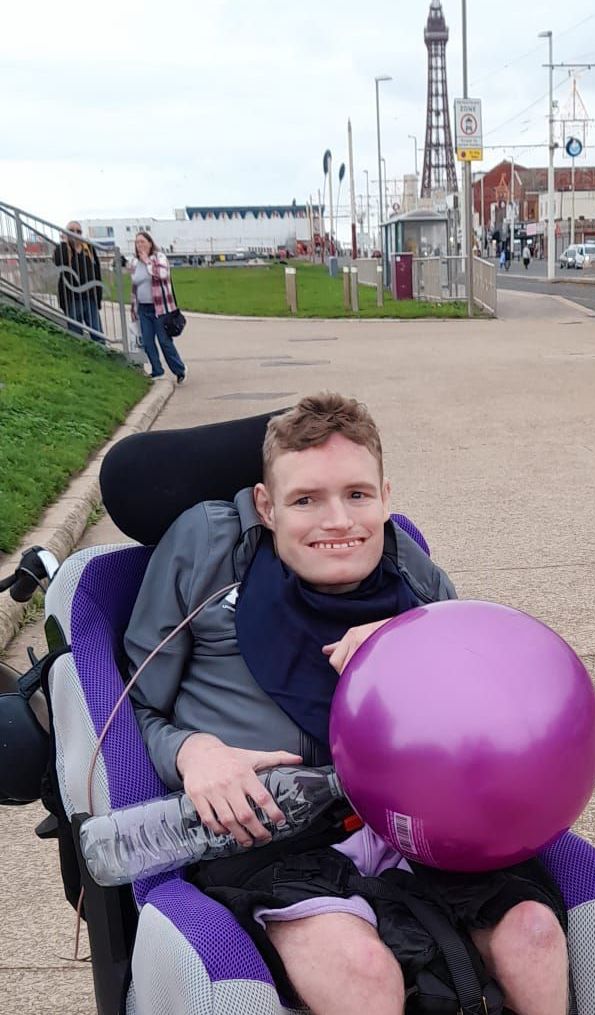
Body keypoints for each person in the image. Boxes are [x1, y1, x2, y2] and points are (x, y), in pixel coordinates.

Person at [124, 393, 569, 1015]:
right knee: (360, 971)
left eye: (357, 495)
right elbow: (131, 710)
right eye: (305, 500)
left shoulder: (411, 575)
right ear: (265, 505)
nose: (338, 521)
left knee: (535, 937)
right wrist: (195, 754)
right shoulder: (208, 551)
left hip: (406, 829)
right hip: (270, 836)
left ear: (386, 496)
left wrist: (404, 651)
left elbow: (479, 713)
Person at [127, 230, 186, 383]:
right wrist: (133, 309)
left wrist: (147, 261)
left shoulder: (159, 258)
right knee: (147, 341)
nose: (140, 245)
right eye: (137, 242)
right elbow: (134, 286)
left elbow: (162, 275)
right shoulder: (134, 262)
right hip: (143, 308)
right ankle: (157, 370)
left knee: (164, 341)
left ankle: (179, 370)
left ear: (150, 243)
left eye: (143, 242)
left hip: (160, 308)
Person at [53, 221, 104, 342]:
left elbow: (97, 273)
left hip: (90, 298)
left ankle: (104, 358)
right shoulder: (62, 248)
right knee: (76, 335)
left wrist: (98, 297)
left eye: (78, 231)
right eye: (71, 230)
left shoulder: (89, 249)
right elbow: (59, 262)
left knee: (98, 334)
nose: (75, 233)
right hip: (72, 299)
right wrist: (65, 242)